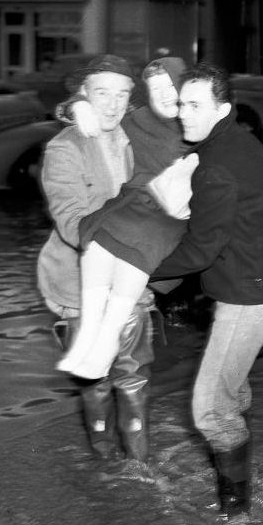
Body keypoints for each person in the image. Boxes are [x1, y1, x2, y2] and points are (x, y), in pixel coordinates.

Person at [152, 62, 263, 521]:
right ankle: (243, 483)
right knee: (232, 394)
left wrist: (141, 271)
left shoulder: (216, 165)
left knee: (210, 409)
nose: (183, 114)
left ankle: (236, 516)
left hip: (248, 298)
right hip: (258, 284)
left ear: (222, 109)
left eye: (195, 105)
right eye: (181, 104)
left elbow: (200, 250)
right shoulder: (238, 142)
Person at [36, 53, 157, 462]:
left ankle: (138, 470)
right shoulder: (63, 149)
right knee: (95, 383)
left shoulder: (132, 134)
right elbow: (72, 223)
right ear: (84, 94)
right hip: (78, 286)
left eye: (122, 94)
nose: (113, 104)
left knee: (134, 378)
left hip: (130, 281)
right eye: (102, 93)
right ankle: (105, 464)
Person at [55, 56, 198, 381]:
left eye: (171, 86)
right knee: (104, 240)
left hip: (165, 233)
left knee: (133, 372)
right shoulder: (135, 121)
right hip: (127, 222)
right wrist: (77, 106)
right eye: (156, 88)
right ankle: (91, 341)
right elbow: (104, 106)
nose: (165, 94)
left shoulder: (198, 125)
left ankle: (105, 343)